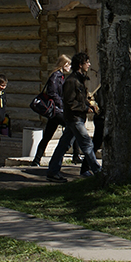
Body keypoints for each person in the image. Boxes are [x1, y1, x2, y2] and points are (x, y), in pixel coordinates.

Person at [48, 52, 100, 182]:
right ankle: (98, 172)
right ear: (80, 64)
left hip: (78, 118)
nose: (89, 64)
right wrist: (85, 108)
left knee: (63, 145)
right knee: (87, 144)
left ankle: (53, 171)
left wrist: (90, 104)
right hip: (74, 118)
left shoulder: (79, 79)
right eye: (87, 62)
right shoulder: (71, 81)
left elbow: (80, 99)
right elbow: (70, 103)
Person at [31, 54, 71, 166]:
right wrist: (62, 106)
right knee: (72, 126)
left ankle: (36, 160)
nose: (70, 67)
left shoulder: (61, 76)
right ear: (64, 65)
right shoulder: (55, 76)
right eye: (68, 65)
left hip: (56, 110)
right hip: (55, 110)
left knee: (47, 135)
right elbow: (53, 93)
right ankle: (70, 152)